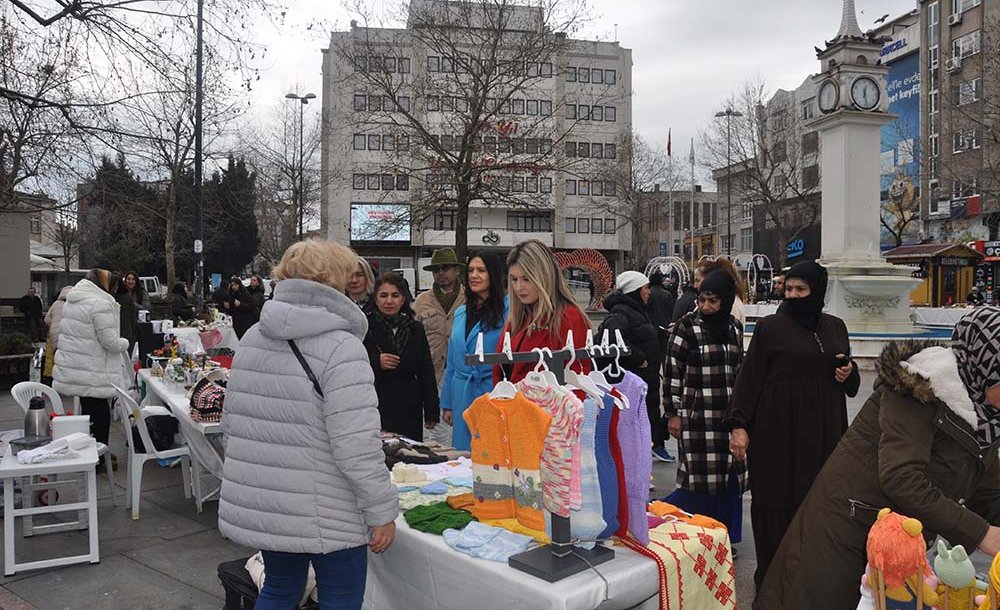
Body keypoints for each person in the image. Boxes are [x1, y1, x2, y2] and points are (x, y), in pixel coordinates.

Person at [755, 307, 1000, 609]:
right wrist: (981, 534)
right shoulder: (918, 387)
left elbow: (986, 490)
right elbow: (901, 477)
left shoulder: (986, 418)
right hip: (850, 531)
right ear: (985, 367)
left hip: (899, 545)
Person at [218, 239, 397, 609]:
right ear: (335, 281)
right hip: (330, 506)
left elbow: (232, 423)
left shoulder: (252, 338)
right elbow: (357, 445)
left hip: (273, 500)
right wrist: (381, 510)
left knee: (280, 589)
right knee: (341, 597)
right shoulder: (342, 347)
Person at [725, 260, 861, 589]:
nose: (794, 295)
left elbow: (849, 379)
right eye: (789, 289)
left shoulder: (835, 327)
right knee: (775, 507)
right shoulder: (771, 327)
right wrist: (738, 425)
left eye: (802, 289)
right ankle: (771, 584)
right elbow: (749, 379)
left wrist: (849, 373)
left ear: (818, 291)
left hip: (823, 437)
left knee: (817, 508)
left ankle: (812, 583)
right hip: (777, 437)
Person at [663, 270, 745, 542]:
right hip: (697, 418)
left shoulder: (734, 328)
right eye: (702, 300)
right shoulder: (687, 328)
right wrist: (673, 414)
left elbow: (739, 370)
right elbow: (672, 372)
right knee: (697, 478)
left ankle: (726, 536)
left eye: (713, 301)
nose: (706, 307)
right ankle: (691, 533)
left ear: (726, 300)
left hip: (727, 416)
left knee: (728, 476)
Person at [601, 270, 674, 463]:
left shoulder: (637, 310)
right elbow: (612, 338)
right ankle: (644, 460)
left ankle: (652, 451)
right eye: (645, 288)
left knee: (646, 417)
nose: (649, 292)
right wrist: (638, 357)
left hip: (645, 377)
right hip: (635, 377)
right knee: (636, 422)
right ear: (635, 291)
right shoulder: (622, 312)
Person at [495, 239, 591, 383]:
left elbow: (579, 378)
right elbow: (499, 371)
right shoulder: (517, 319)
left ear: (544, 276)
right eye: (514, 279)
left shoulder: (570, 317)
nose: (519, 287)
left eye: (526, 279)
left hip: (553, 403)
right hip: (512, 402)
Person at [440, 250, 508, 451]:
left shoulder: (509, 310)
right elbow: (452, 361)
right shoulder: (462, 312)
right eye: (470, 270)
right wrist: (447, 403)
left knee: (490, 453)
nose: (474, 275)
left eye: (481, 270)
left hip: (491, 390)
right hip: (462, 392)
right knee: (463, 454)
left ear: (494, 274)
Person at [52, 269, 129, 446]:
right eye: (114, 287)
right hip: (93, 370)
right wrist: (124, 343)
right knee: (100, 413)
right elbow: (110, 341)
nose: (115, 291)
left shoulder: (74, 299)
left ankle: (90, 449)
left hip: (77, 366)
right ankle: (100, 455)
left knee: (88, 411)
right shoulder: (99, 303)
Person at [364, 274, 440, 441]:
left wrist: (431, 411)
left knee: (410, 457)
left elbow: (425, 369)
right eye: (384, 296)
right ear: (375, 299)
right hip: (376, 402)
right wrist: (376, 362)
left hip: (409, 405)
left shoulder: (415, 328)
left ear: (403, 298)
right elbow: (352, 363)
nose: (389, 301)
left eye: (395, 295)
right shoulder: (366, 326)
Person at [413, 248, 466, 387]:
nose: (441, 273)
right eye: (436, 269)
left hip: (463, 373)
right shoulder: (421, 301)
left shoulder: (470, 299)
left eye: (446, 268)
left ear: (457, 270)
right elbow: (412, 337)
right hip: (431, 373)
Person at [41, 285, 72, 386]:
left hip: (53, 335)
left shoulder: (56, 303)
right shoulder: (73, 305)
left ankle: (52, 378)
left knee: (53, 358)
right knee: (67, 359)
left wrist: (54, 324)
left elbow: (46, 320)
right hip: (67, 335)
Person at [647, 269, 676, 352]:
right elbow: (671, 310)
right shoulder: (667, 294)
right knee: (664, 352)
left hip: (651, 327)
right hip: (664, 327)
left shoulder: (648, 294)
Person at [115, 278, 139, 357]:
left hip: (116, 331)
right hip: (127, 331)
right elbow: (133, 316)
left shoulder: (110, 297)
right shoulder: (128, 297)